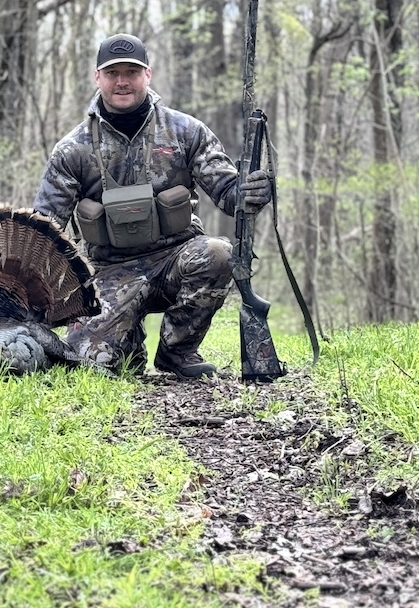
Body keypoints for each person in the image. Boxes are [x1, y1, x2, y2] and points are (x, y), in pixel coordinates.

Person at [33, 33, 272, 379]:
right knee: (92, 364)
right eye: (112, 73)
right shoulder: (73, 149)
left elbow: (227, 193)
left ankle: (178, 351)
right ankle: (128, 344)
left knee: (219, 253)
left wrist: (251, 191)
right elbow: (46, 227)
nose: (122, 81)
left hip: (177, 259)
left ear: (148, 74)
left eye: (131, 72)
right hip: (109, 271)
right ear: (97, 77)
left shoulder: (186, 131)